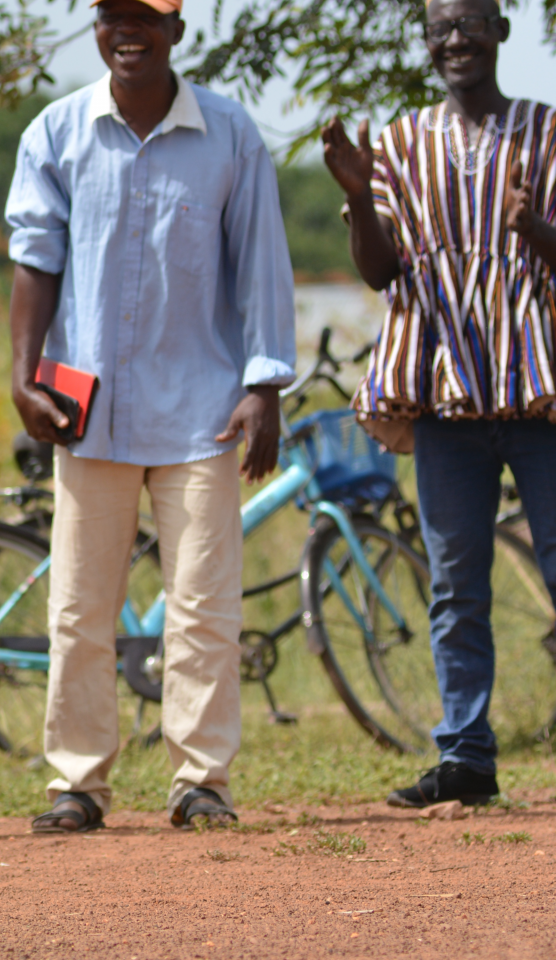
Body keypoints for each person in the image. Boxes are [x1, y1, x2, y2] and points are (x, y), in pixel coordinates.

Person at [6, 0, 296, 832]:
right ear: (98, 28)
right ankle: (77, 783)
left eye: (147, 17)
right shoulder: (56, 134)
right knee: (79, 607)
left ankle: (201, 780)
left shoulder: (231, 136)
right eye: (113, 16)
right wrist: (24, 378)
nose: (128, 31)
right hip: (85, 408)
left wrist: (265, 386)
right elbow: (35, 259)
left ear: (178, 30)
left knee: (204, 606)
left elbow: (262, 266)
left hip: (202, 407)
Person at [320, 0, 556, 808]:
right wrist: (357, 197)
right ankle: (467, 759)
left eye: (469, 24)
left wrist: (539, 235)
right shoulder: (399, 143)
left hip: (538, 387)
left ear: (500, 32)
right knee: (457, 583)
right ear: (426, 44)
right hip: (443, 389)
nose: (454, 39)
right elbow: (381, 273)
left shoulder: (547, 131)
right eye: (438, 29)